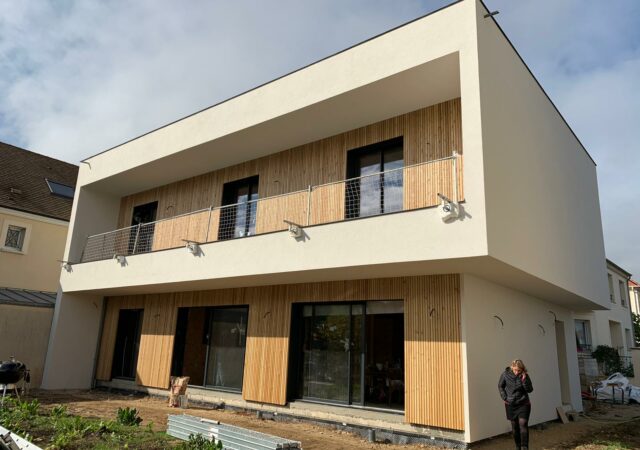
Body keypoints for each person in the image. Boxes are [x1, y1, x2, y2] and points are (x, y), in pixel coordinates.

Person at [498, 359, 533, 450]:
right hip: (510, 404)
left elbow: (530, 390)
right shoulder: (505, 374)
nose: (517, 372)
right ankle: (518, 447)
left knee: (523, 423)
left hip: (523, 403)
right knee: (515, 426)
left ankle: (524, 447)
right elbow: (500, 385)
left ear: (522, 369)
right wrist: (504, 397)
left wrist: (524, 380)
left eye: (519, 370)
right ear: (512, 367)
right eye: (515, 370)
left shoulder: (524, 376)